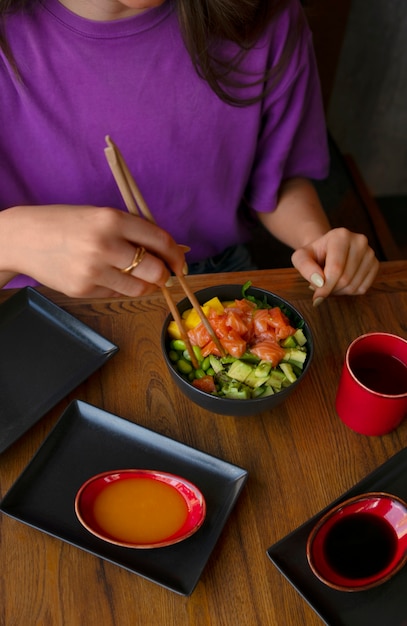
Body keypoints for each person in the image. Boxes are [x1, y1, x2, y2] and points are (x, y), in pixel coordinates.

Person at [0, 0, 378, 305]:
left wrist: (319, 244)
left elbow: (277, 179)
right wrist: (15, 240)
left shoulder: (262, 14)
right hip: (32, 295)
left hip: (211, 274)